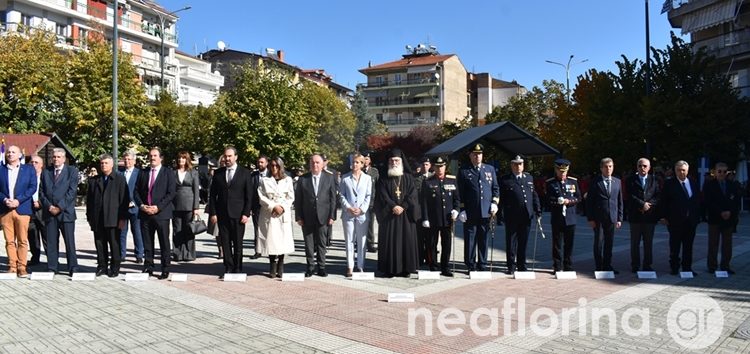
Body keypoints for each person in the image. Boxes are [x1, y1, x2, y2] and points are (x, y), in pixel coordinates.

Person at [207, 146, 253, 275]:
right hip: (222, 214)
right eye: (226, 156)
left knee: (238, 243)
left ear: (236, 157)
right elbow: (213, 196)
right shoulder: (219, 173)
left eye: (230, 156)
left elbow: (249, 196)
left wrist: (246, 213)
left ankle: (238, 267)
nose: (227, 159)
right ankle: (228, 266)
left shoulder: (245, 173)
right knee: (225, 243)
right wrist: (213, 213)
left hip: (238, 215)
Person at [375, 149, 420, 277]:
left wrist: (403, 206)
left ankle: (406, 269)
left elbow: (412, 194)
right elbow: (382, 195)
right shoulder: (383, 178)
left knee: (406, 242)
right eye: (392, 161)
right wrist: (393, 206)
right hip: (389, 215)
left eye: (396, 161)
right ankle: (389, 269)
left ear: (401, 162)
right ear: (388, 162)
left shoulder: (408, 177)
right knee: (390, 242)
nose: (394, 163)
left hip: (405, 215)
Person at [134, 147, 176, 280]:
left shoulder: (168, 172)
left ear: (161, 158)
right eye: (150, 155)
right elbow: (135, 191)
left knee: (164, 242)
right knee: (147, 242)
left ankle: (165, 268)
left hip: (161, 214)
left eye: (155, 156)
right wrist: (141, 206)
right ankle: (148, 266)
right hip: (145, 213)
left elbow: (171, 193)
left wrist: (158, 207)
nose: (152, 158)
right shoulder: (143, 172)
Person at [457, 144, 500, 272]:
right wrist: (462, 209)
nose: (477, 156)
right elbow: (460, 192)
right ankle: (470, 264)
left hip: (486, 211)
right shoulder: (464, 170)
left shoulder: (489, 169)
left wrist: (494, 202)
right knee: (470, 239)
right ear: (470, 155)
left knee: (483, 239)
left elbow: (495, 188)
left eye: (479, 154)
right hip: (470, 211)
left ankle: (482, 263)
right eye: (475, 154)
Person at [86, 154, 129, 277]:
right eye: (102, 163)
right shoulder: (95, 180)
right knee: (100, 243)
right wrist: (90, 217)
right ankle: (102, 266)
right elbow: (90, 201)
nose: (103, 165)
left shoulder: (119, 179)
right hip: (98, 218)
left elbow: (124, 200)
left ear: (112, 164)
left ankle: (115, 267)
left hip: (113, 218)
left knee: (114, 244)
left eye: (106, 163)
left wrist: (122, 218)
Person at [295, 154, 337, 277]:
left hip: (323, 216)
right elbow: (298, 199)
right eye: (313, 162)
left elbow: (333, 198)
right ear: (310, 164)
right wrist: (298, 216)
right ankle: (310, 267)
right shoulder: (303, 179)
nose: (315, 165)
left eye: (318, 162)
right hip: (307, 216)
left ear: (323, 164)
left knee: (321, 243)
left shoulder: (329, 178)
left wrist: (332, 216)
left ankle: (322, 267)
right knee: (308, 244)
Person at [499, 155, 541, 274]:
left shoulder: (529, 178)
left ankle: (522, 264)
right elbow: (501, 198)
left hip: (526, 215)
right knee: (511, 242)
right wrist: (499, 214)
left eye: (520, 164)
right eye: (516, 164)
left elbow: (534, 195)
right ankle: (511, 266)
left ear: (523, 165)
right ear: (511, 165)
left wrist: (538, 210)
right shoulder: (505, 180)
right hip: (512, 216)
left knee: (523, 241)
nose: (518, 166)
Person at [40, 147, 79, 276]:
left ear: (64, 158)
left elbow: (72, 192)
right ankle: (52, 267)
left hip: (66, 213)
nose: (56, 159)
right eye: (54, 157)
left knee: (69, 242)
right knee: (51, 242)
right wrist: (49, 207)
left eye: (58, 157)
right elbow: (41, 192)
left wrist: (59, 207)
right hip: (50, 213)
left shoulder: (72, 171)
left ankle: (72, 267)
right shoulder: (46, 172)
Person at [0, 145, 37, 277]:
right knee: (9, 241)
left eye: (13, 152)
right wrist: (4, 200)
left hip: (22, 209)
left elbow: (33, 187)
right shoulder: (1, 169)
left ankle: (22, 267)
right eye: (8, 152)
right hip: (5, 210)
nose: (10, 154)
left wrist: (18, 200)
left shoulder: (28, 169)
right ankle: (12, 266)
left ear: (20, 155)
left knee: (22, 240)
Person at [420, 156, 460, 276]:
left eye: (442, 166)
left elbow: (457, 199)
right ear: (434, 167)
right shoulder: (428, 181)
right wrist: (425, 218)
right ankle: (433, 265)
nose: (439, 169)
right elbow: (424, 202)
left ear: (445, 167)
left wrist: (456, 210)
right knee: (432, 243)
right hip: (433, 219)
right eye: (437, 166)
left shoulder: (451, 180)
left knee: (446, 244)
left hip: (447, 219)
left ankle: (445, 266)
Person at [257, 156, 295, 278]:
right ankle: (272, 263)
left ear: (281, 166)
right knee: (271, 240)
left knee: (282, 240)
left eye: (276, 166)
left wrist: (282, 207)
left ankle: (281, 263)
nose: (274, 168)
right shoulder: (264, 180)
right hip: (270, 213)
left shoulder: (288, 180)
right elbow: (261, 197)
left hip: (282, 214)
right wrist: (273, 206)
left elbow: (290, 197)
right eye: (272, 165)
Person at [661, 160, 701, 276]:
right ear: (675, 171)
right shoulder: (669, 184)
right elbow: (664, 201)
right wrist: (663, 216)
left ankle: (687, 268)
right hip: (675, 221)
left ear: (687, 171)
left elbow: (697, 201)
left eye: (683, 170)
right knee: (675, 246)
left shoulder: (693, 183)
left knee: (688, 246)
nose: (681, 172)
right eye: (678, 170)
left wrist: (697, 217)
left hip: (691, 221)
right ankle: (674, 267)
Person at [585, 157, 623, 273]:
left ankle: (607, 265)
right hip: (598, 218)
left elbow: (619, 201)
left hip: (612, 217)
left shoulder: (617, 182)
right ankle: (599, 265)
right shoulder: (595, 182)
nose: (608, 169)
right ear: (601, 168)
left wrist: (619, 218)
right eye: (606, 167)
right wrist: (590, 218)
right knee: (599, 243)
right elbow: (589, 201)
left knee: (609, 243)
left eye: (610, 166)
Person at [703, 162, 740, 274]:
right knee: (713, 244)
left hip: (728, 219)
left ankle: (725, 266)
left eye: (725, 171)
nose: (722, 174)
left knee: (727, 245)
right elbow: (708, 202)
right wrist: (720, 212)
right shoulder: (709, 185)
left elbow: (736, 201)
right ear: (715, 172)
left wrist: (730, 212)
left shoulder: (732, 184)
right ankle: (712, 266)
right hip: (715, 218)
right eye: (719, 171)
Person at [545, 158, 581, 273]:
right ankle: (557, 266)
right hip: (557, 217)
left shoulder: (573, 182)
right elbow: (547, 200)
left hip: (570, 217)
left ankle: (568, 265)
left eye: (564, 172)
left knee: (569, 244)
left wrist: (569, 201)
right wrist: (557, 201)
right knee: (557, 244)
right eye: (560, 171)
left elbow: (578, 197)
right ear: (556, 170)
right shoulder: (550, 183)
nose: (562, 174)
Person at [339, 154, 372, 276]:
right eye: (353, 162)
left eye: (358, 162)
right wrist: (348, 207)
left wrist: (362, 209)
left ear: (362, 164)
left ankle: (360, 265)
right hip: (348, 213)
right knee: (349, 240)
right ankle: (350, 266)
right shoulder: (345, 177)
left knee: (362, 240)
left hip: (362, 214)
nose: (355, 164)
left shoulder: (367, 179)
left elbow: (368, 195)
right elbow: (341, 195)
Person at [625, 158, 660, 273]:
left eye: (645, 166)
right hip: (635, 216)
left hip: (650, 217)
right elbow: (629, 196)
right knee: (635, 243)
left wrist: (649, 205)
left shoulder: (654, 180)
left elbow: (658, 195)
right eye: (640, 166)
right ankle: (635, 265)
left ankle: (647, 265)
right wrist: (642, 204)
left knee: (648, 242)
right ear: (637, 167)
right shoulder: (630, 180)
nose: (642, 168)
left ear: (649, 168)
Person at [172, 151, 200, 262]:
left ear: (186, 159)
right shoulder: (173, 172)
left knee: (188, 230)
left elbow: (196, 190)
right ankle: (177, 253)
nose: (181, 160)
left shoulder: (193, 172)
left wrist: (196, 207)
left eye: (183, 158)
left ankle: (189, 253)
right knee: (177, 230)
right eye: (179, 158)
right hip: (176, 205)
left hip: (189, 205)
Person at [119, 150, 144, 264]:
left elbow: (140, 190)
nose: (127, 161)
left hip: (135, 207)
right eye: (125, 159)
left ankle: (139, 254)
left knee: (137, 232)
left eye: (129, 159)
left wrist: (134, 202)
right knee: (122, 232)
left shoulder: (139, 173)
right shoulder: (119, 173)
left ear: (134, 161)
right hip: (123, 208)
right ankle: (121, 254)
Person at [27, 155, 47, 266]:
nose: (33, 164)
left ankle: (52, 260)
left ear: (41, 165)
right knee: (32, 236)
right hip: (30, 210)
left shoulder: (46, 177)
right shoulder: (27, 176)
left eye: (36, 162)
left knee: (47, 236)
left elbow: (49, 193)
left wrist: (40, 202)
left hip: (43, 210)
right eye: (32, 162)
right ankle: (35, 258)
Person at [249, 155, 270, 259]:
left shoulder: (271, 175)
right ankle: (258, 250)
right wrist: (250, 208)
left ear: (266, 163)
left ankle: (271, 251)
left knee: (269, 229)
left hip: (269, 207)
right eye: (259, 162)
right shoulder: (253, 175)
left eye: (262, 162)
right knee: (257, 229)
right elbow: (250, 192)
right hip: (256, 207)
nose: (260, 164)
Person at [414, 156, 433, 266]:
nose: (425, 166)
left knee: (430, 238)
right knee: (419, 237)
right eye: (423, 164)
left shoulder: (433, 177)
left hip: (430, 212)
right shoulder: (415, 178)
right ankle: (419, 258)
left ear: (430, 166)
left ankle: (430, 259)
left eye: (427, 164)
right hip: (419, 212)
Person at [363, 151, 380, 252]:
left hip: (371, 202)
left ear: (370, 161)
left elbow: (377, 187)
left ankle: (370, 243)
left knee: (370, 224)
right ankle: (360, 244)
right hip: (360, 202)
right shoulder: (359, 171)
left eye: (367, 159)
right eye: (364, 159)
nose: (365, 161)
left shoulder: (374, 172)